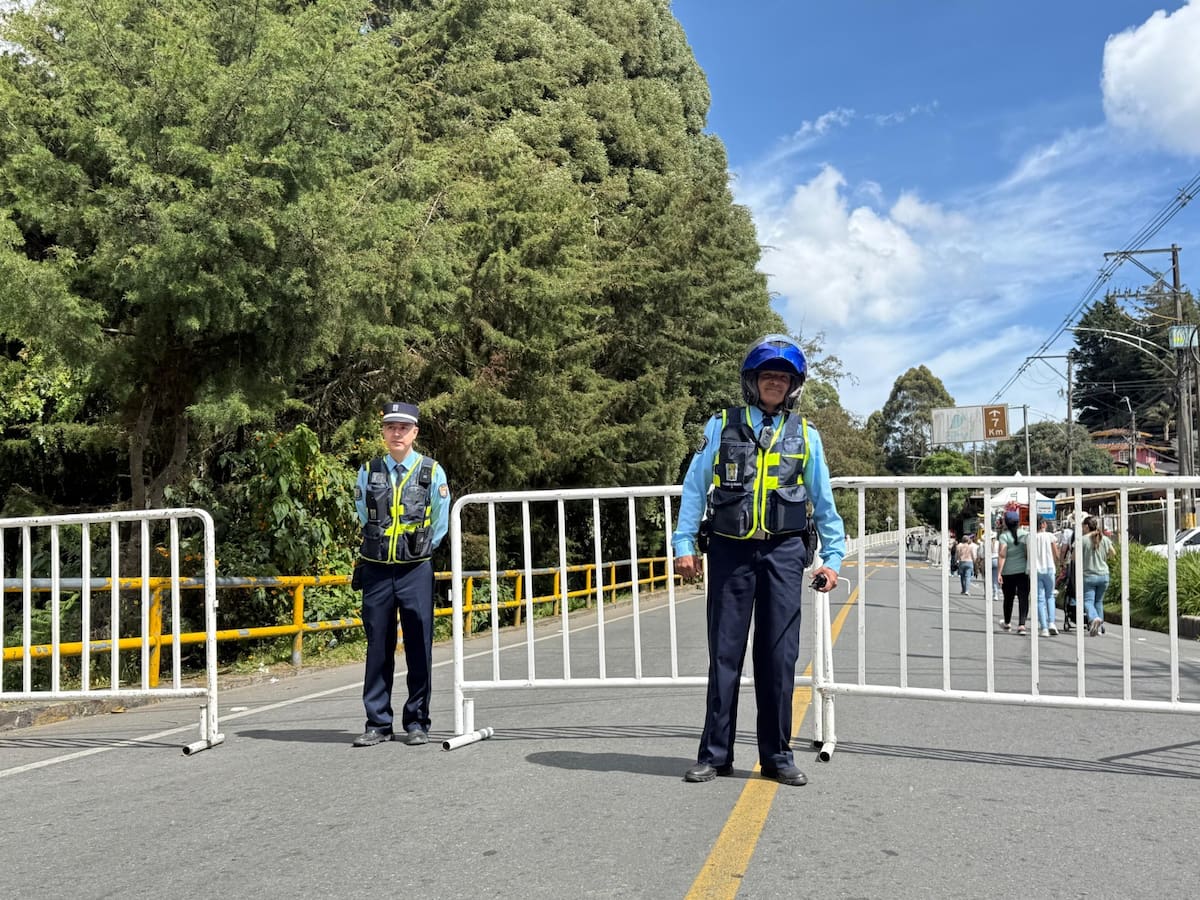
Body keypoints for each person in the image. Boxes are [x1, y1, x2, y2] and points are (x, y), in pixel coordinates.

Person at [672, 334, 846, 787]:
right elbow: (694, 488)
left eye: (783, 377)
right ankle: (715, 754)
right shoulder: (719, 427)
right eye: (768, 375)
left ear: (793, 386)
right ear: (753, 381)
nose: (775, 383)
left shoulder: (807, 436)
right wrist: (683, 543)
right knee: (724, 654)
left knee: (778, 657)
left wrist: (833, 558)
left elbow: (824, 502)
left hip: (785, 554)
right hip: (730, 550)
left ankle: (777, 755)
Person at [350, 401, 450, 747]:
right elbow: (364, 512)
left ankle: (417, 721)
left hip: (415, 570)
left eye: (403, 428)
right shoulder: (368, 470)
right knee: (378, 644)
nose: (397, 433)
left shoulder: (431, 471)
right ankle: (377, 723)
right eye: (391, 427)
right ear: (384, 432)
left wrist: (417, 549)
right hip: (376, 569)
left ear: (414, 433)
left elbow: (440, 520)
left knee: (419, 646)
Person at [1079, 515, 1116, 636]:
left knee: (1088, 601)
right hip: (1104, 575)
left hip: (1088, 575)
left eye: (1082, 526)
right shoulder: (1104, 539)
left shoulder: (1083, 540)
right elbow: (1113, 553)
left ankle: (1094, 618)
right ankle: (1100, 627)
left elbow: (1073, 557)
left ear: (1086, 526)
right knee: (1098, 601)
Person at [996, 507, 1031, 635]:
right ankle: (1022, 624)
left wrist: (999, 573)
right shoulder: (1024, 534)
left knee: (1008, 598)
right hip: (1023, 571)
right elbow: (1028, 553)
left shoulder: (1004, 536)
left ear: (1006, 522)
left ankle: (1007, 622)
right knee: (1023, 597)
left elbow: (1002, 555)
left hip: (1008, 572)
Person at [1033, 517, 1060, 636]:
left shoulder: (1030, 537)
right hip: (1049, 568)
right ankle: (1052, 623)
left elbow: (1026, 554)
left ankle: (1043, 627)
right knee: (1050, 596)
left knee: (1039, 599)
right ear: (1043, 524)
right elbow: (1056, 552)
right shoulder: (1050, 536)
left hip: (1036, 570)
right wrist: (1059, 562)